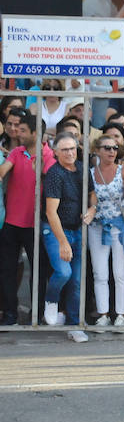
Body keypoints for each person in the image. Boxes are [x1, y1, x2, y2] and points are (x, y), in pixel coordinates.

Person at [0, 113, 56, 325]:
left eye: (23, 130)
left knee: (38, 273)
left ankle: (37, 314)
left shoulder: (50, 156)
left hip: (36, 225)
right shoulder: (16, 151)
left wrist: (40, 172)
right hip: (11, 223)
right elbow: (3, 170)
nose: (18, 133)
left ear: (36, 133)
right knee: (6, 270)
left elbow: (51, 181)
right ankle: (11, 314)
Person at [42, 133, 97, 335]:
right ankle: (51, 300)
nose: (70, 152)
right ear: (55, 152)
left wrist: (93, 209)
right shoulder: (54, 173)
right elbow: (50, 212)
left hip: (78, 229)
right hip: (57, 230)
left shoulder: (82, 168)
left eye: (72, 148)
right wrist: (63, 242)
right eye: (64, 149)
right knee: (64, 272)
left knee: (76, 281)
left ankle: (74, 325)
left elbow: (93, 194)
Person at [88, 135, 124, 328]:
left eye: (115, 148)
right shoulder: (91, 173)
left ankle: (121, 314)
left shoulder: (123, 170)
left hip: (119, 225)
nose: (111, 152)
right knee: (99, 273)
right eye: (107, 148)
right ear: (98, 150)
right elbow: (90, 198)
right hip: (98, 226)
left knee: (120, 273)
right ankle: (103, 314)